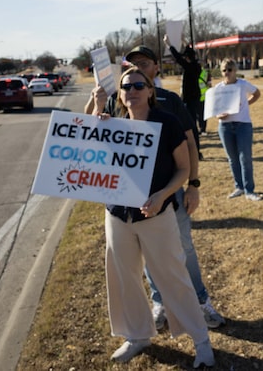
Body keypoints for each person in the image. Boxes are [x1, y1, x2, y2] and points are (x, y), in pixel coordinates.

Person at [85, 45, 226, 330]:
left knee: (182, 248)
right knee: (147, 251)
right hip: (130, 195)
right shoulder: (119, 100)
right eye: (131, 65)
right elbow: (87, 130)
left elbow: (189, 144)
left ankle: (200, 302)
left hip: (168, 189)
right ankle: (160, 301)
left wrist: (193, 185)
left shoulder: (170, 101)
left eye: (144, 64)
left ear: (155, 71)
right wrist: (95, 103)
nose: (137, 71)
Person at [213, 58, 262, 201]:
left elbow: (257, 93)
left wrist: (246, 104)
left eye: (230, 70)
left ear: (235, 71)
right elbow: (214, 108)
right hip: (225, 126)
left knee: (245, 158)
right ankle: (239, 186)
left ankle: (249, 190)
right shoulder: (218, 89)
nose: (227, 73)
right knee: (232, 159)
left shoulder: (242, 84)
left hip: (243, 125)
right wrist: (218, 115)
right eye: (224, 70)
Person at [164, 35, 204, 160]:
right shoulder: (196, 65)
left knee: (191, 127)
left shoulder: (189, 67)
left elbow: (178, 57)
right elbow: (189, 53)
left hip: (189, 100)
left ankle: (196, 152)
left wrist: (169, 44)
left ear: (187, 58)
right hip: (195, 98)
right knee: (193, 126)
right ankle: (197, 152)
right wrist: (184, 42)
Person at [198, 66, 210, 134]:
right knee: (200, 114)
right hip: (201, 97)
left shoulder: (205, 73)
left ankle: (202, 129)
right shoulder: (205, 73)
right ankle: (201, 128)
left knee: (202, 114)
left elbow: (209, 84)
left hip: (202, 97)